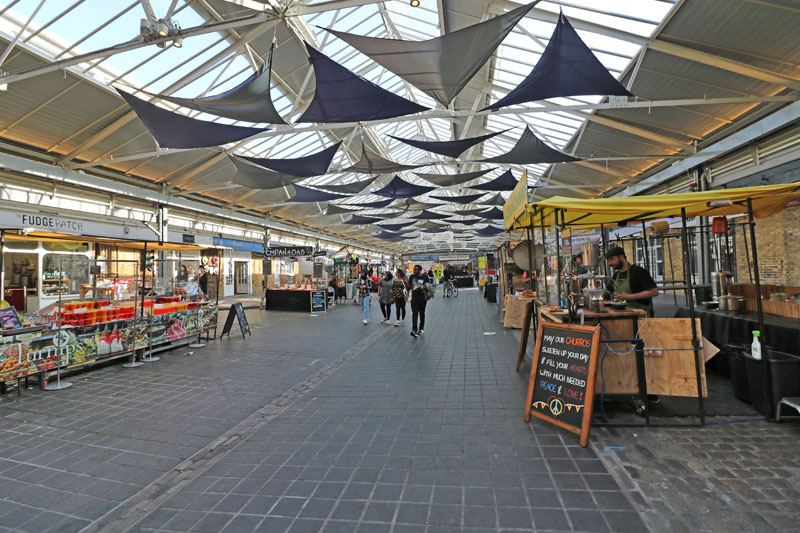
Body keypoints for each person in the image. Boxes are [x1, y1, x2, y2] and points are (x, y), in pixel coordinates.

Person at [604, 246, 659, 317]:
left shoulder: (638, 271)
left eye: (612, 259)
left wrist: (629, 296)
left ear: (621, 257)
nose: (609, 263)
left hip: (640, 315)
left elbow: (654, 291)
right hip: (623, 315)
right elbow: (607, 292)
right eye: (608, 261)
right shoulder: (616, 275)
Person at [408, 264, 431, 337]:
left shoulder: (424, 276)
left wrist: (423, 287)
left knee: (421, 313)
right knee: (414, 313)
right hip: (414, 298)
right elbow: (408, 286)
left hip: (422, 298)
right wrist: (406, 283)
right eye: (414, 269)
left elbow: (429, 286)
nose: (415, 271)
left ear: (420, 270)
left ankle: (421, 328)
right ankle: (414, 329)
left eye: (416, 269)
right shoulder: (412, 277)